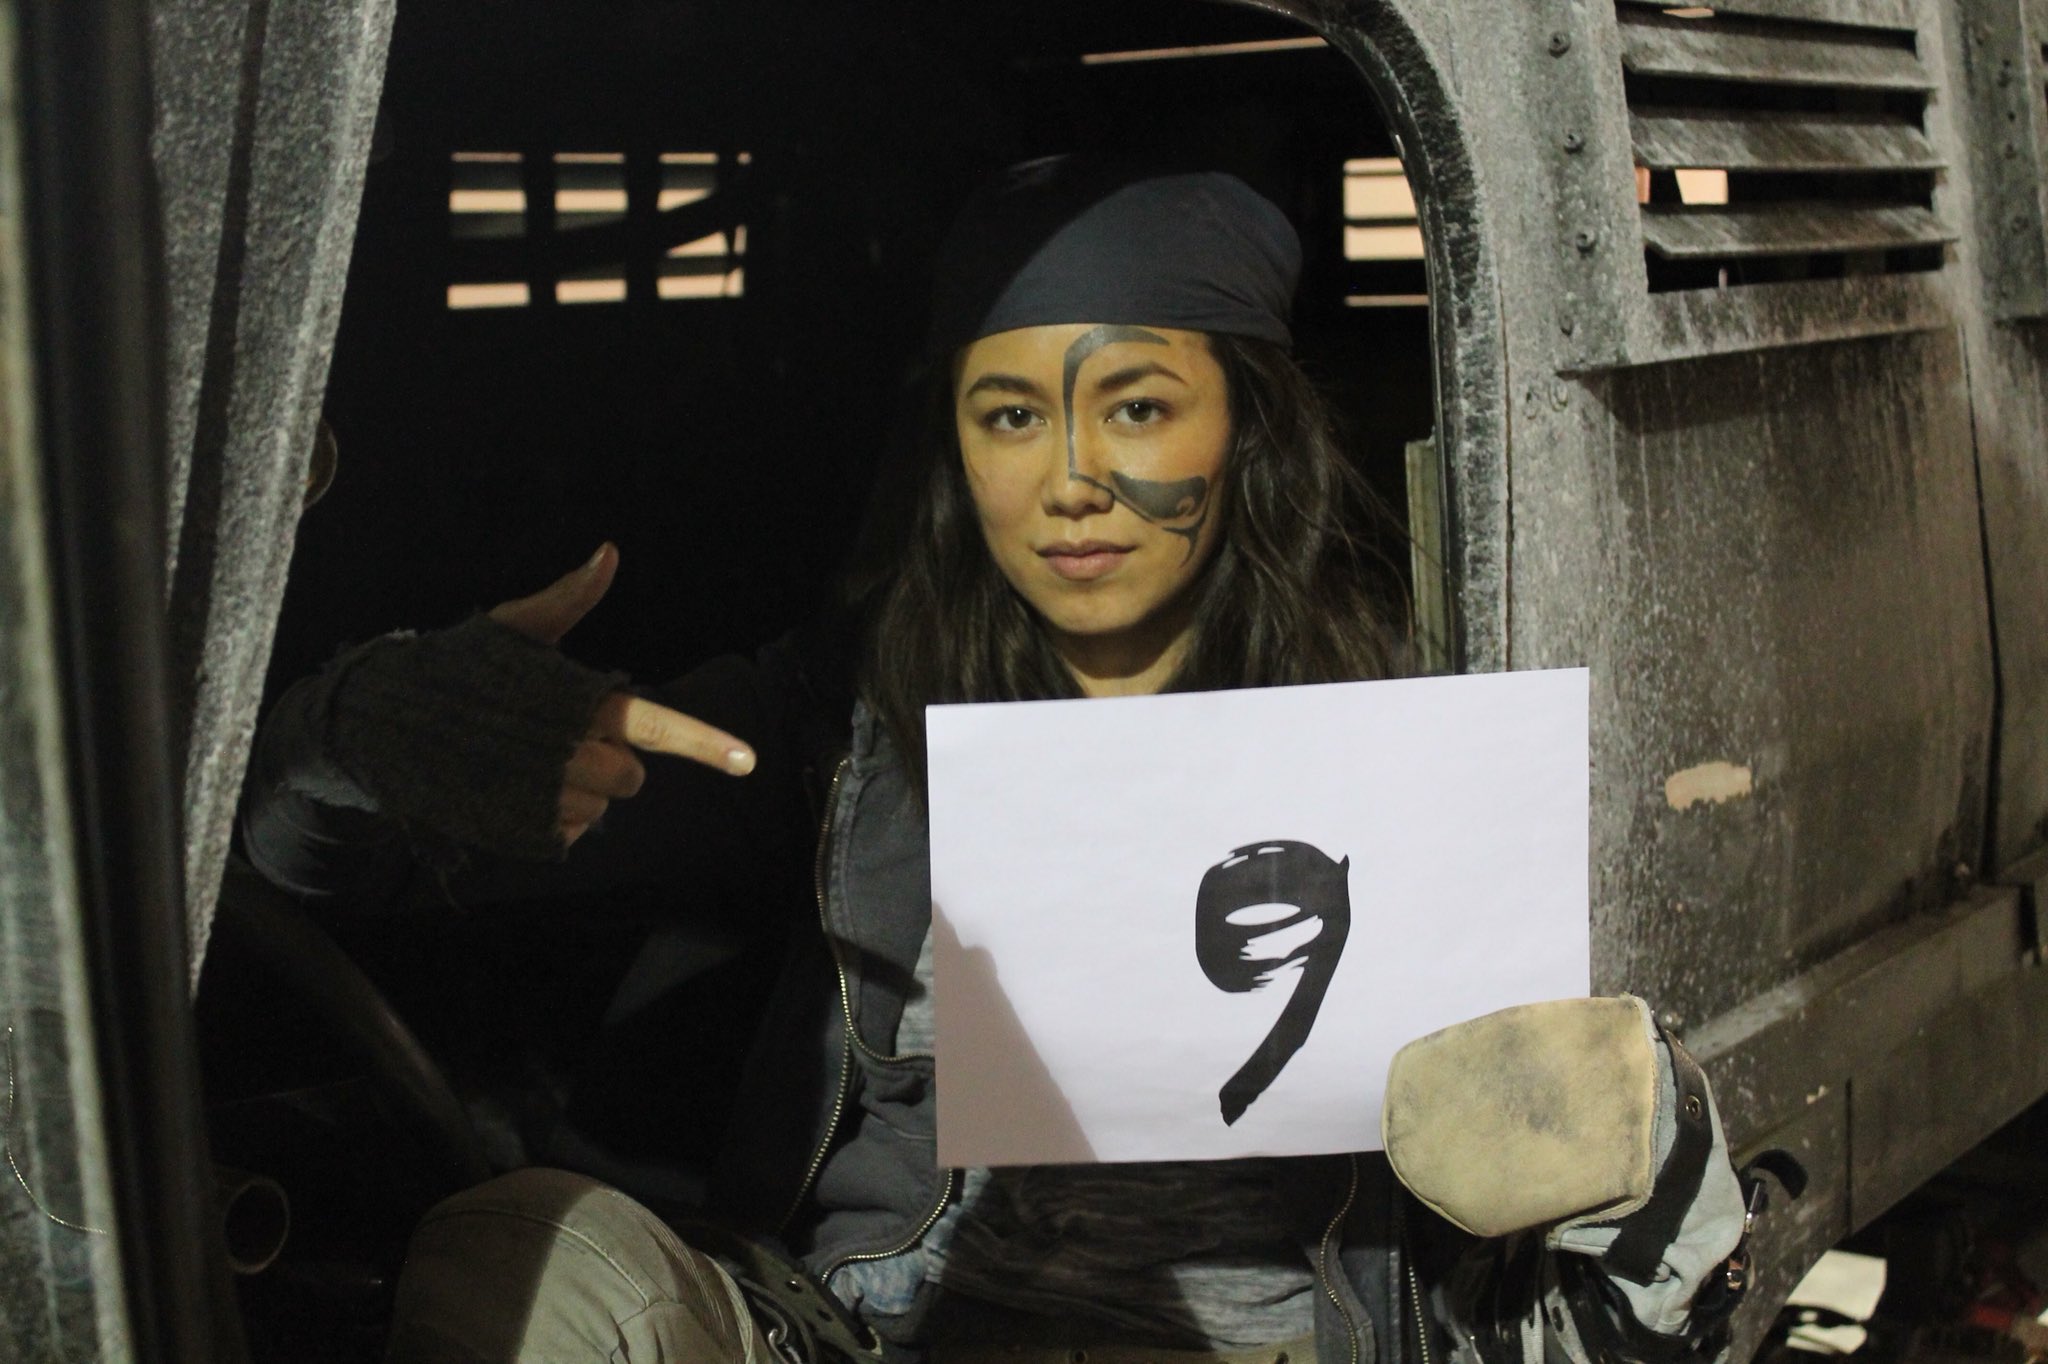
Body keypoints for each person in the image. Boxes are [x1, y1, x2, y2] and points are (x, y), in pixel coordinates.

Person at [241, 159, 1755, 1364]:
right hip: (885, 1331)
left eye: (1139, 407)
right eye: (1013, 415)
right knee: (524, 1259)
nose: (1072, 480)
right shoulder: (860, 725)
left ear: (1248, 430)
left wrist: (1643, 1138)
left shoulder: (1403, 748)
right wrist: (364, 729)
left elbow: (1624, 1283)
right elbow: (310, 869)